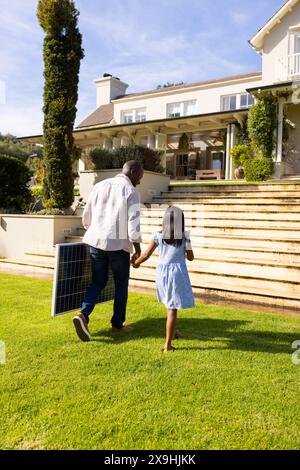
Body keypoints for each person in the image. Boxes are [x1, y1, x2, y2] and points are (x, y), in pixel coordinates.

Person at [73, 160, 144, 342]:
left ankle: (83, 315)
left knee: (98, 281)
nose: (140, 181)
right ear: (133, 172)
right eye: (139, 177)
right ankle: (117, 325)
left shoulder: (100, 185)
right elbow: (133, 223)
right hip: (117, 245)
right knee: (121, 285)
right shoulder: (131, 191)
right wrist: (137, 249)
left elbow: (86, 215)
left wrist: (92, 229)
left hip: (96, 241)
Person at [132, 206, 195, 353]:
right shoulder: (184, 238)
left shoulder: (158, 236)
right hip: (176, 274)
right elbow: (191, 258)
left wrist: (136, 263)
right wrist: (187, 248)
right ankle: (168, 345)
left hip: (162, 274)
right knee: (172, 309)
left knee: (169, 304)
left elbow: (146, 254)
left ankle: (173, 331)